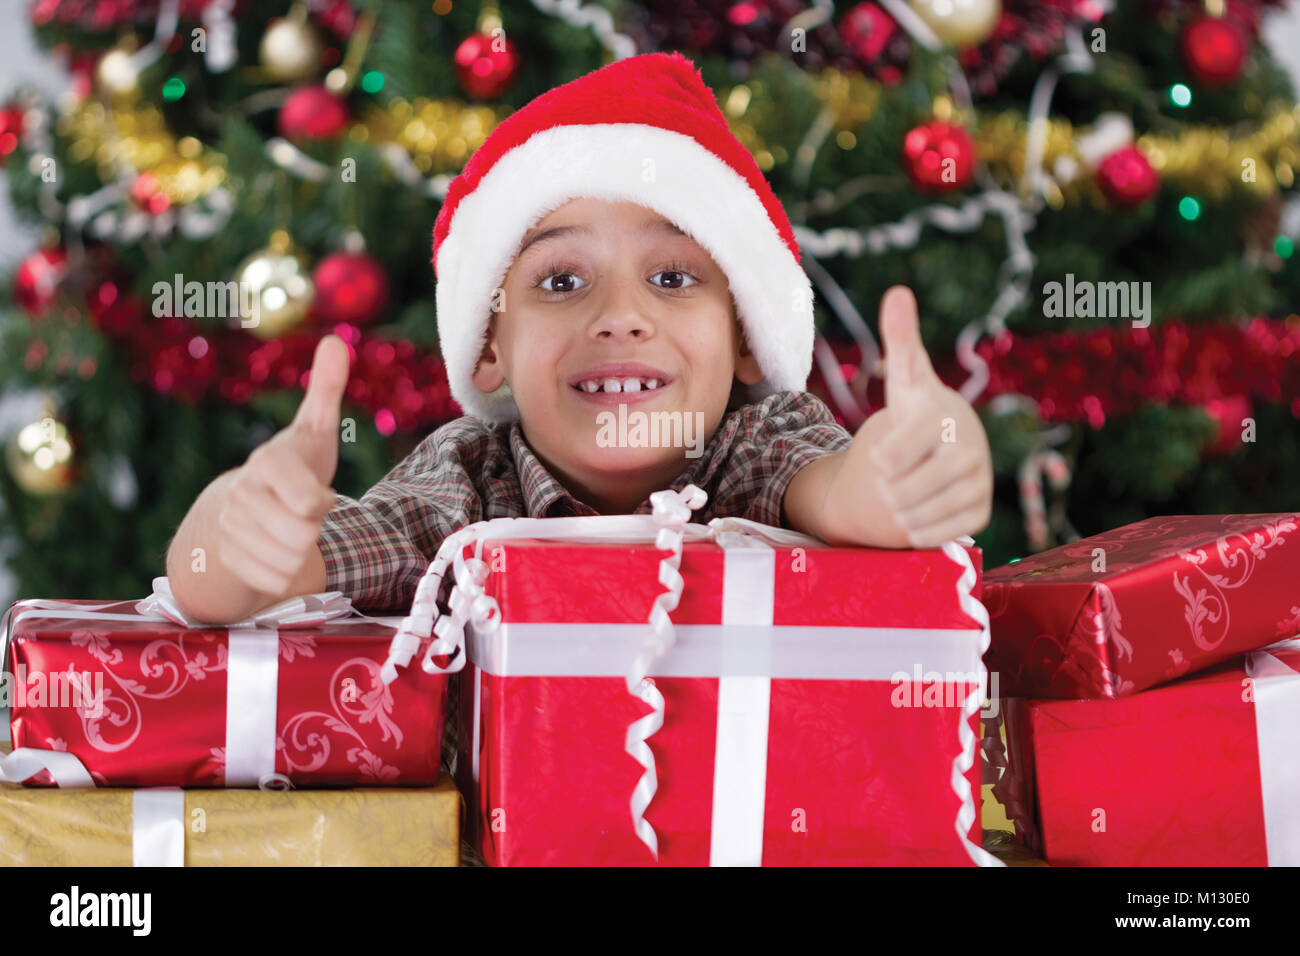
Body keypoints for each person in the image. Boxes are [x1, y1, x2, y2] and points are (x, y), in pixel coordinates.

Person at [166, 51, 992, 625]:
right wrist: (238, 534)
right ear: (489, 346)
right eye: (561, 282)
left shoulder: (758, 442)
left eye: (673, 278)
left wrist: (900, 483)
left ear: (745, 337)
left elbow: (839, 494)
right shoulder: (463, 487)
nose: (620, 316)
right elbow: (255, 577)